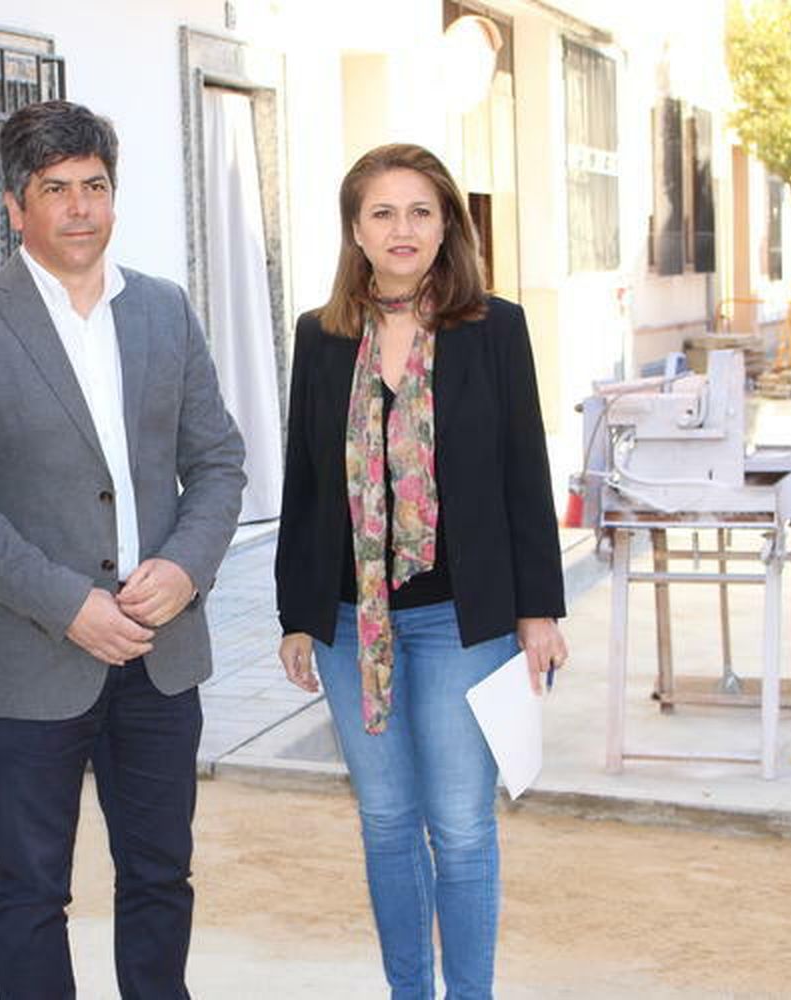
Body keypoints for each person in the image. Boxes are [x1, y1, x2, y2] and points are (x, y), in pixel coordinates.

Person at [0, 100, 245, 999]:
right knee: (30, 887)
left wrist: (185, 568)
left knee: (160, 875)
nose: (79, 209)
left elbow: (218, 461)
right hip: (34, 655)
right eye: (55, 189)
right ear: (12, 204)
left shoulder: (164, 310)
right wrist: (70, 606)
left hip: (160, 650)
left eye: (95, 187)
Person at [274, 143, 568, 999]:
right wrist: (297, 615)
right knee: (387, 822)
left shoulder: (495, 329)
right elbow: (305, 482)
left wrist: (539, 610)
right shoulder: (320, 338)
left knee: (464, 829)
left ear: (447, 226)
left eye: (420, 212)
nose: (402, 230)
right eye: (382, 213)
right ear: (355, 232)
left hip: (460, 618)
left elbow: (524, 468)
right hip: (347, 619)